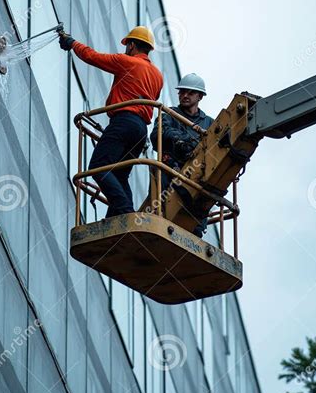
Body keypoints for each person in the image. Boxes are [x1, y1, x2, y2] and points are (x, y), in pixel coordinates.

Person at [59, 27, 163, 217]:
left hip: (124, 122)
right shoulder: (158, 76)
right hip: (141, 131)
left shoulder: (126, 61)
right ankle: (123, 217)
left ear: (131, 45)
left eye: (127, 45)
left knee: (98, 167)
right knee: (120, 175)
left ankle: (125, 210)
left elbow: (92, 56)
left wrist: (72, 43)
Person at [151, 73, 213, 237]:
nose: (185, 95)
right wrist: (181, 139)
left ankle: (196, 227)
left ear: (200, 96)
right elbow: (156, 136)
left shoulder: (209, 123)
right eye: (182, 92)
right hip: (171, 172)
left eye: (190, 93)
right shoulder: (169, 114)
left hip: (197, 177)